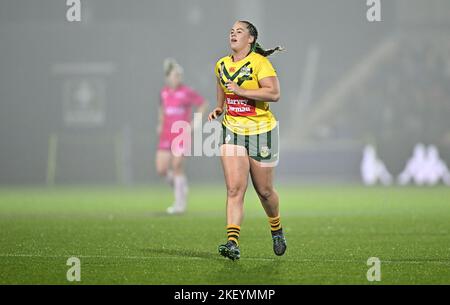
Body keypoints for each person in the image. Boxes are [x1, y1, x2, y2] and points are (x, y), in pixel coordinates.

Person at [208, 20, 286, 260]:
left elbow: (274, 93)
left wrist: (243, 92)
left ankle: (276, 228)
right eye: (231, 31)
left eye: (239, 31)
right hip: (232, 130)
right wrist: (219, 107)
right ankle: (232, 242)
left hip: (262, 131)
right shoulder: (221, 64)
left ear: (250, 39)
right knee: (234, 188)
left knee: (264, 191)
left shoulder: (260, 63)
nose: (233, 34)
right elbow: (223, 86)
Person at [156, 58, 208, 214]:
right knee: (162, 169)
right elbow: (161, 110)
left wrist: (195, 122)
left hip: (181, 134)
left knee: (177, 166)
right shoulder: (163, 93)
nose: (177, 78)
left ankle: (179, 204)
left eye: (179, 75)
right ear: (167, 77)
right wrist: (160, 123)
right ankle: (181, 186)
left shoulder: (186, 92)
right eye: (174, 75)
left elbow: (203, 104)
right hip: (166, 134)